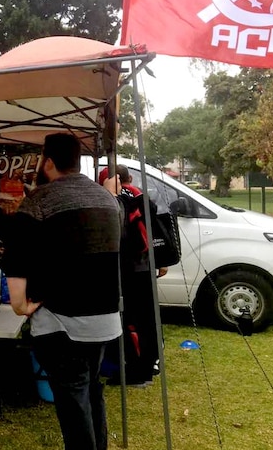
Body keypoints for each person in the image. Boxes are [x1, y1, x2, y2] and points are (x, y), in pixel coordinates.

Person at [1, 134, 122, 450]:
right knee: (91, 388)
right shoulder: (109, 200)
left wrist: (19, 306)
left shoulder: (39, 201)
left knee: (73, 398)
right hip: (105, 319)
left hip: (62, 322)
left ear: (48, 161)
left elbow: (15, 258)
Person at [104, 164, 166, 386]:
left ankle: (138, 371)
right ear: (130, 177)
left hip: (129, 268)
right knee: (148, 319)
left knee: (132, 320)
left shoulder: (118, 199)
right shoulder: (142, 196)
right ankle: (151, 363)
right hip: (147, 266)